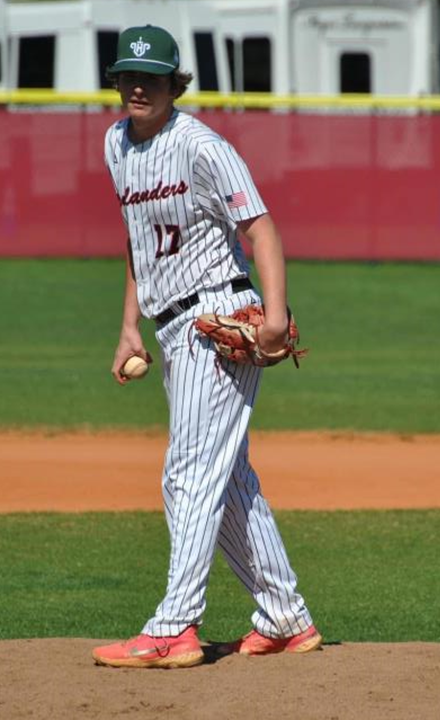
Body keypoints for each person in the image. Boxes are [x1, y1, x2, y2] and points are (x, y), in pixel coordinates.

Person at [92, 24, 321, 669]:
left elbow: (260, 228)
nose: (138, 87)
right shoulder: (116, 145)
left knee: (188, 474)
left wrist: (274, 315)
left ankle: (175, 627)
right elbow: (139, 240)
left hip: (218, 318)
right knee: (228, 479)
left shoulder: (202, 148)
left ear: (174, 84)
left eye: (151, 78)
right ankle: (285, 618)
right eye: (128, 76)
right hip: (169, 327)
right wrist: (130, 326)